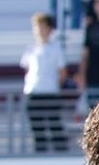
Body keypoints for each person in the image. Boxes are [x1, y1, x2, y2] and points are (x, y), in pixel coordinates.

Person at [21, 11, 68, 153]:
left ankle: (61, 152)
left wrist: (55, 86)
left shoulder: (56, 49)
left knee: (54, 124)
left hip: (50, 92)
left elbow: (62, 72)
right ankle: (40, 152)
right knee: (37, 127)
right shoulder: (30, 48)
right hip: (33, 92)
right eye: (36, 27)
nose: (39, 30)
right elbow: (26, 68)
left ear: (49, 29)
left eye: (42, 26)